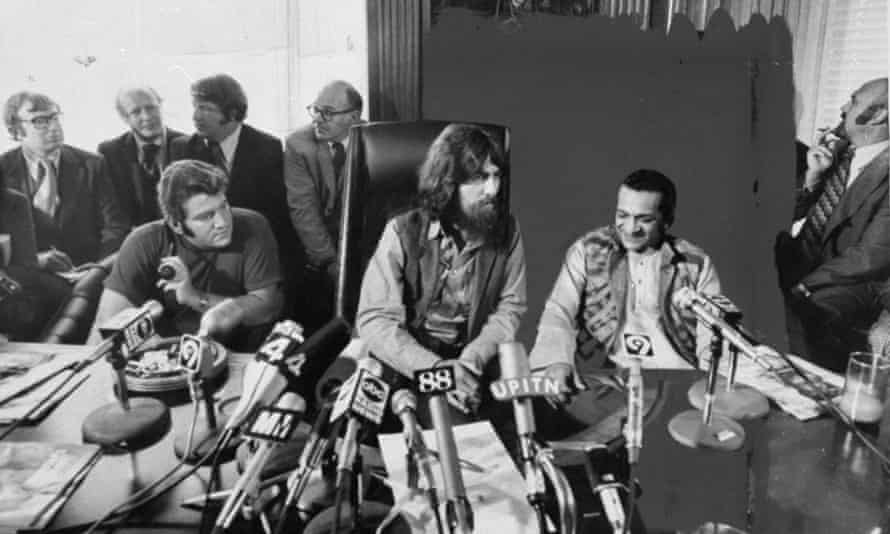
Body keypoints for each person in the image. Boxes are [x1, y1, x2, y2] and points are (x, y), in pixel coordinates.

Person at [356, 123, 527, 419]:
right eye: (480, 179)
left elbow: (510, 308)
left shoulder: (507, 231)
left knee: (518, 440)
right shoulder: (401, 231)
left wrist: (471, 361)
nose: (493, 190)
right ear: (447, 183)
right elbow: (375, 319)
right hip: (410, 359)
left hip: (475, 356)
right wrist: (437, 370)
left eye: (496, 176)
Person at [528, 169, 722, 403]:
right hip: (608, 383)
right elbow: (559, 311)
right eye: (623, 215)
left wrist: (711, 377)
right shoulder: (589, 250)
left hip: (676, 383)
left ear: (667, 221)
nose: (631, 228)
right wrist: (557, 361)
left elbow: (712, 335)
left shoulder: (695, 263)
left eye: (645, 219)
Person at [87, 159, 284, 350]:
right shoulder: (143, 241)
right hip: (161, 359)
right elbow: (106, 329)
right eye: (206, 216)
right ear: (176, 224)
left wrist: (193, 297)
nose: (223, 222)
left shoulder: (253, 226)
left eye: (223, 206)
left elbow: (267, 307)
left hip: (237, 354)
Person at [775, 78, 889, 371]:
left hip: (852, 281)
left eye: (854, 101)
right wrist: (812, 178)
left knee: (803, 313)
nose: (843, 107)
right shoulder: (838, 153)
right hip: (809, 261)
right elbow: (785, 216)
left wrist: (804, 284)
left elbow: (869, 257)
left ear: (878, 115)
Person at [170, 74, 299, 311]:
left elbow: (276, 217)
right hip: (201, 257)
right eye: (195, 107)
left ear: (232, 113)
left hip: (252, 253)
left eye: (205, 108)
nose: (195, 116)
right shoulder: (182, 148)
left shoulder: (267, 147)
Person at [0, 91, 127, 271]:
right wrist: (34, 261)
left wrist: (99, 268)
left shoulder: (92, 164)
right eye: (40, 121)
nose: (54, 127)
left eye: (55, 118)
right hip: (29, 276)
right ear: (16, 131)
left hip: (88, 270)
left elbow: (115, 226)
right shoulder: (3, 170)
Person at [284, 80, 364, 331]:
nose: (317, 119)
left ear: (353, 116)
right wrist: (332, 263)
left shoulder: (376, 139)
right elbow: (303, 211)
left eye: (327, 113)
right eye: (315, 110)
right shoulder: (298, 143)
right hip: (319, 257)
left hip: (364, 253)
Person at [98, 85, 185, 228]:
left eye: (151, 108)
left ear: (160, 106)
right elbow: (112, 212)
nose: (147, 117)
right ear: (124, 117)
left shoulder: (188, 145)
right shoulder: (110, 153)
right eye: (136, 112)